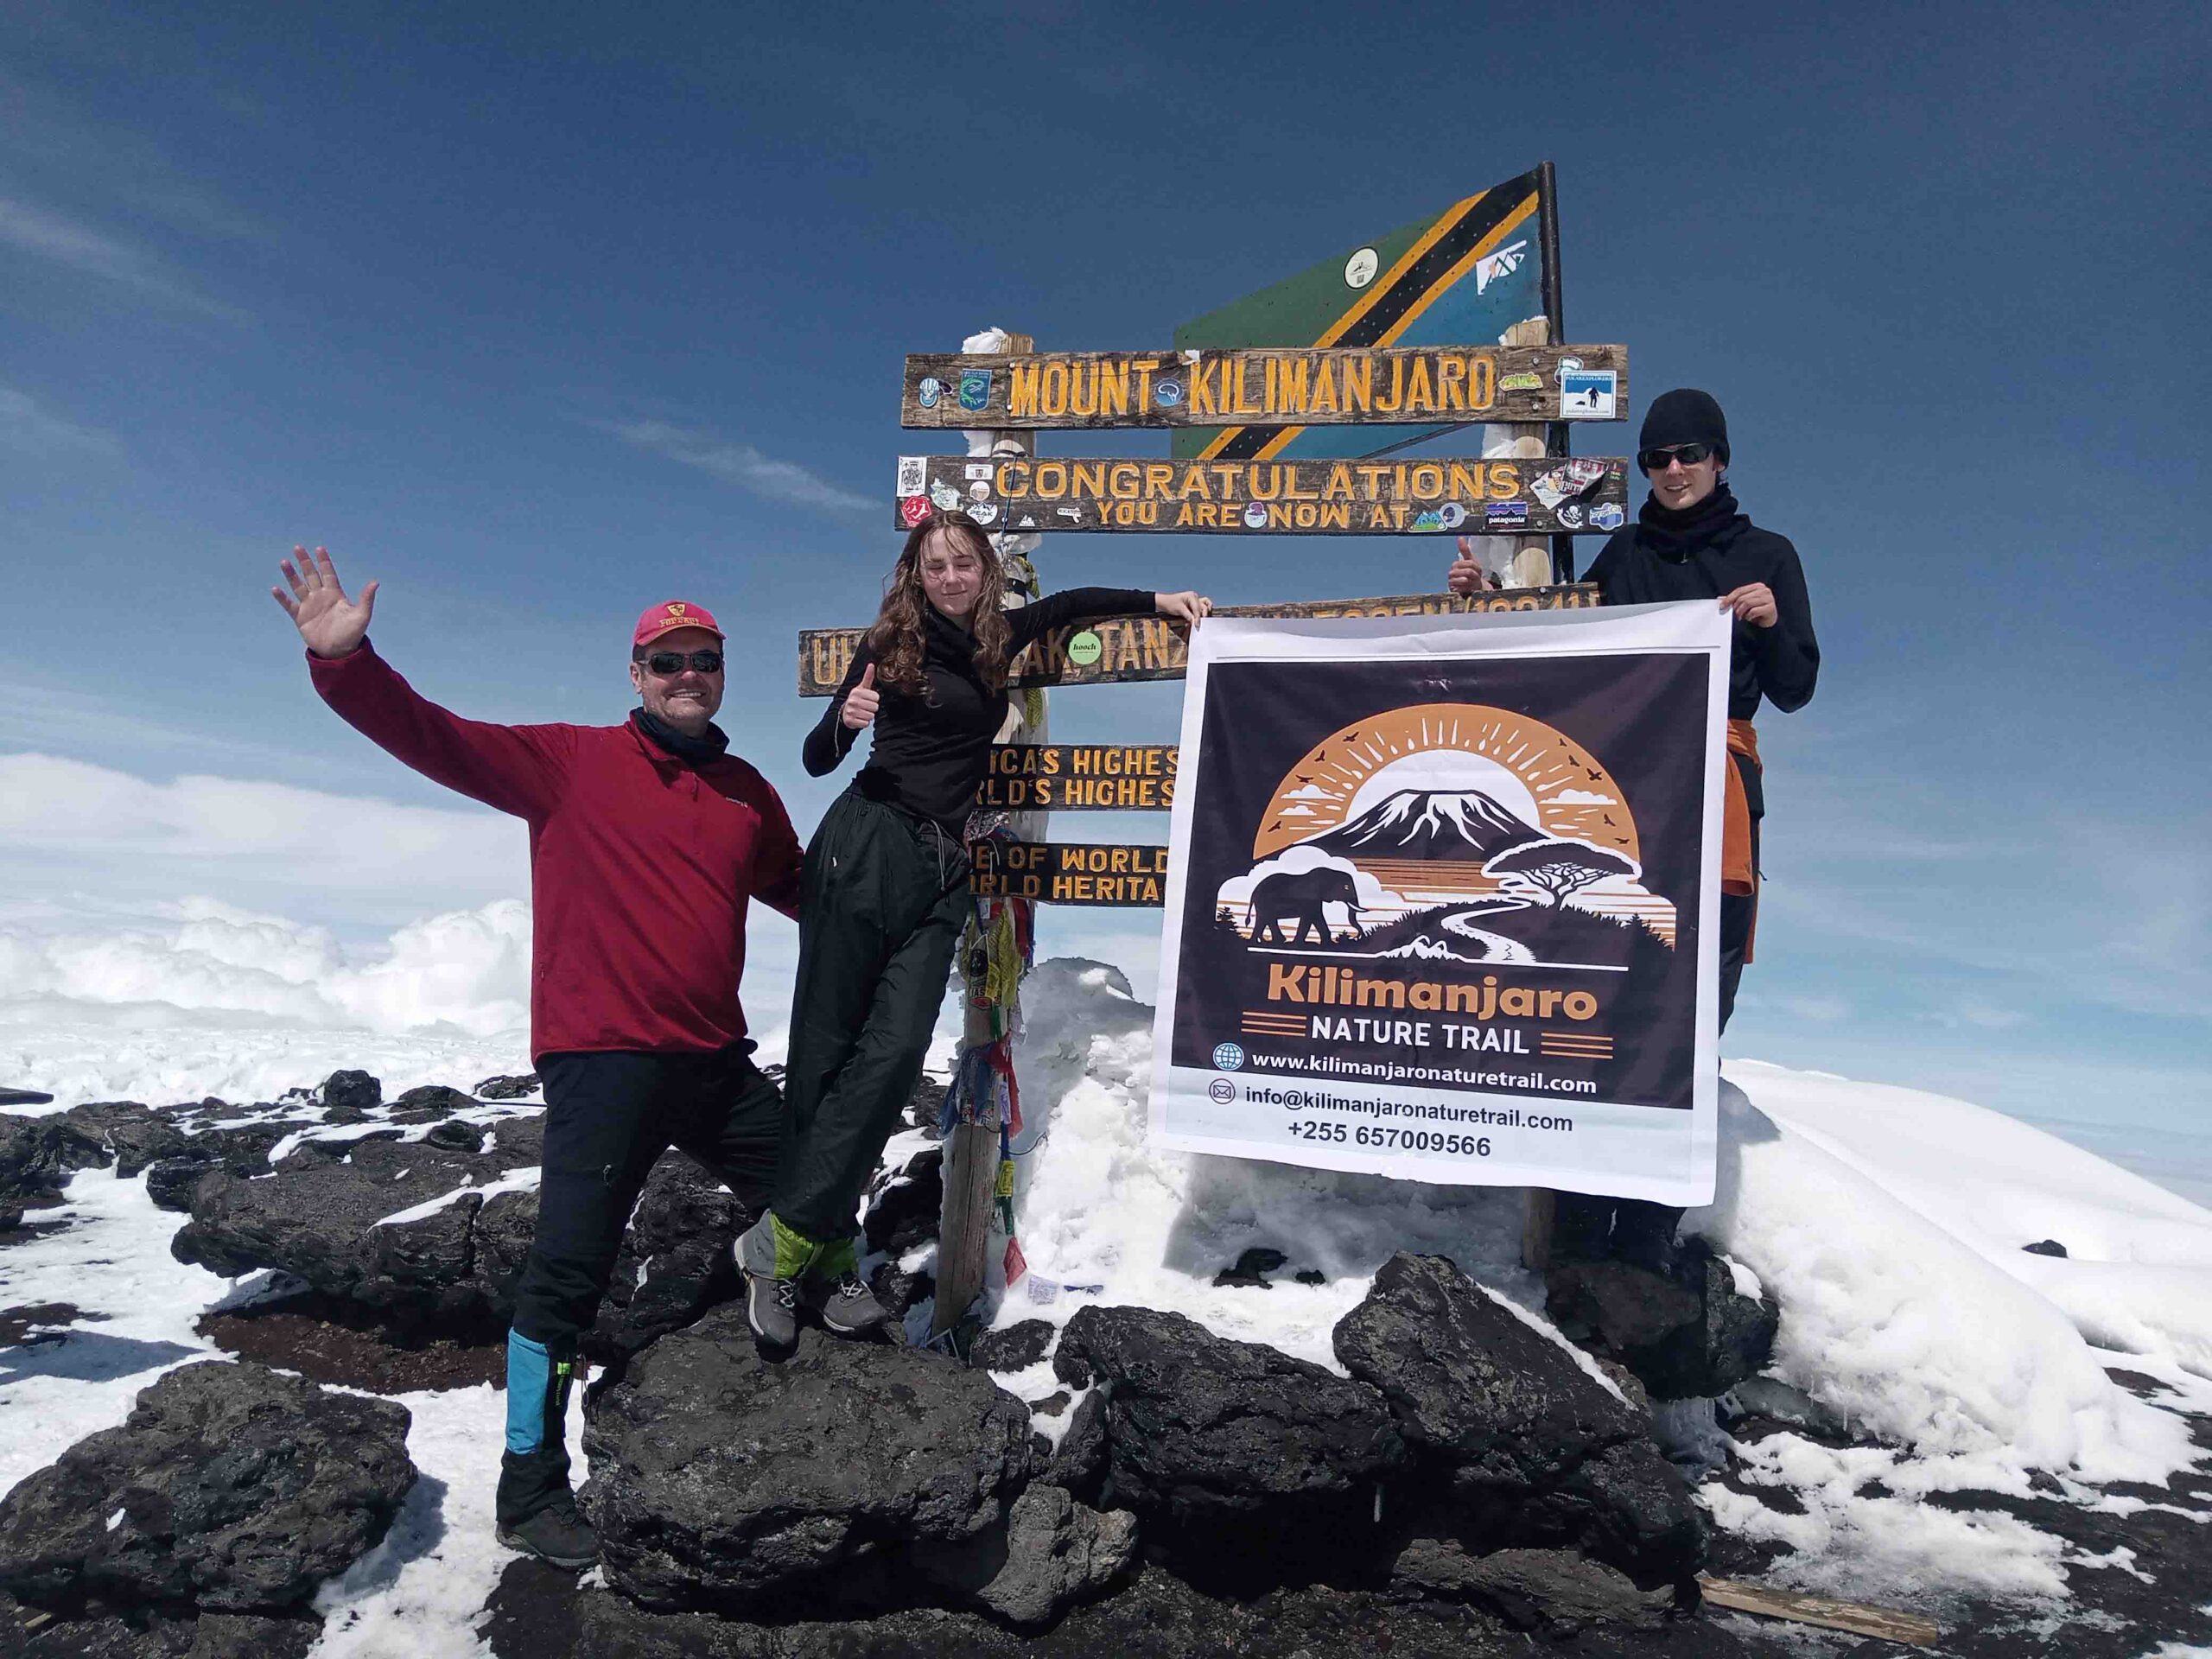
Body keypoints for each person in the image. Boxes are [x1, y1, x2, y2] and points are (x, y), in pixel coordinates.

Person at [272, 548, 802, 1567]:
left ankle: (773, 1296)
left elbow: (810, 893)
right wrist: (348, 664)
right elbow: (436, 738)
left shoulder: (746, 793)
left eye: (705, 659)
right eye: (667, 661)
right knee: (565, 1277)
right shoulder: (569, 761)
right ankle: (527, 1486)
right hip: (601, 1060)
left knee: (815, 1198)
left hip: (713, 1058)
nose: (688, 675)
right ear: (636, 676)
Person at [734, 509, 1211, 1344]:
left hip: (947, 864)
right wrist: (842, 719)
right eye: (936, 565)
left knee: (890, 1056)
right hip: (866, 844)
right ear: (915, 575)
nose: (951, 577)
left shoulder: (1000, 635)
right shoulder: (889, 644)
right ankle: (828, 1257)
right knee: (825, 1054)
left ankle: (779, 1240)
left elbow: (1074, 604)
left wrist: (1159, 598)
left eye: (964, 564)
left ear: (986, 571)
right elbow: (817, 759)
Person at [1449, 388, 1819, 1268]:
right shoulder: (1622, 553)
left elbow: (1798, 684)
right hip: (1628, 797)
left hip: (1719, 790)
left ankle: (1649, 1225)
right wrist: (1486, 597)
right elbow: (1565, 649)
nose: (1674, 470)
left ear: (1720, 458)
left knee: (1695, 1009)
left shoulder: (1766, 554)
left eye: (1689, 453)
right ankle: (1579, 1223)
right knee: (1605, 998)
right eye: (1656, 458)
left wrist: (1767, 625)